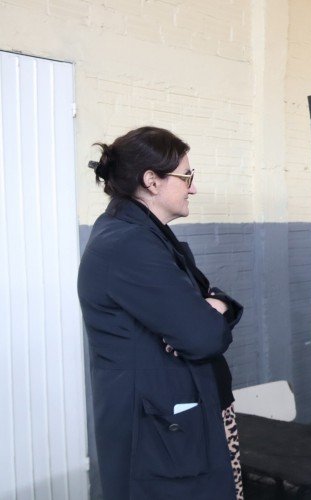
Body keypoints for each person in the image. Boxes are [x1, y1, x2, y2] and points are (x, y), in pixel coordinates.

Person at [77, 127, 244, 499]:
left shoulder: (146, 235)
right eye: (187, 176)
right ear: (152, 181)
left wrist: (213, 307)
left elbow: (211, 307)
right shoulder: (127, 244)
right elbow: (202, 337)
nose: (193, 188)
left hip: (172, 423)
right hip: (161, 433)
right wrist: (210, 310)